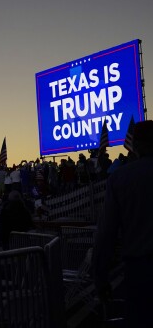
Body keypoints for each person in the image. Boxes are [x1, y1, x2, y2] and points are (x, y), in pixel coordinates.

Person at [93, 120, 153, 327]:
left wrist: (100, 275)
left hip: (140, 270)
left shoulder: (120, 178)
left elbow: (106, 232)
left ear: (135, 145)